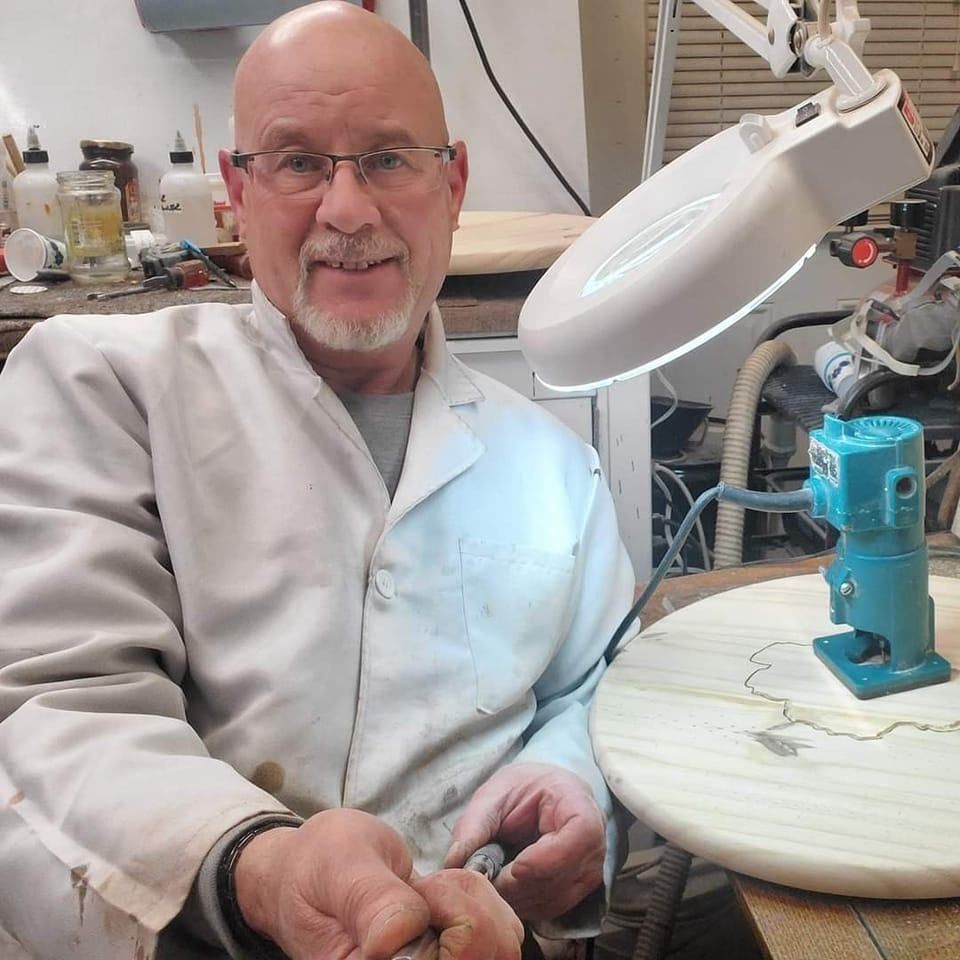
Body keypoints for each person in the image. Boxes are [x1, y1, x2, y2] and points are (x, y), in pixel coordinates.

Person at [0, 4, 635, 959]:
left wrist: (572, 781)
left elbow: (596, 687)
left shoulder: (554, 463)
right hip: (206, 929)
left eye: (388, 159)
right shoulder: (100, 386)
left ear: (451, 182)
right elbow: (54, 713)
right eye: (297, 161)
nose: (347, 210)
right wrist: (262, 870)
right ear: (235, 192)